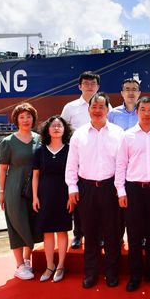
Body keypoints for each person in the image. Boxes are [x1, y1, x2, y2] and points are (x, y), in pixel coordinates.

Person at [65, 92, 125, 289]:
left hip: (110, 188)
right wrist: (72, 187)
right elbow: (72, 163)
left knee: (112, 233)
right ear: (89, 109)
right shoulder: (79, 134)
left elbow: (121, 164)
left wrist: (120, 188)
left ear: (108, 109)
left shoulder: (118, 133)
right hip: (86, 189)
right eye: (94, 107)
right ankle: (91, 273)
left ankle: (112, 272)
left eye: (101, 107)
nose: (97, 110)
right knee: (89, 233)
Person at [115, 97, 150, 292]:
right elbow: (120, 164)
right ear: (137, 112)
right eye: (143, 109)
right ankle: (135, 275)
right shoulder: (127, 136)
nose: (147, 113)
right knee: (134, 234)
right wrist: (121, 191)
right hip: (134, 190)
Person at [0, 103, 42, 280]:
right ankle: (19, 265)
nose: (25, 120)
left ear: (33, 119)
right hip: (14, 188)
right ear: (16, 120)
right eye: (22, 117)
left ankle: (27, 260)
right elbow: (3, 170)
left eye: (28, 116)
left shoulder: (39, 139)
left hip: (35, 189)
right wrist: (1, 192)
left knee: (31, 222)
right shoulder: (8, 142)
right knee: (16, 224)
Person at [60, 71, 101, 249]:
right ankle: (78, 233)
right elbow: (61, 129)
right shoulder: (70, 107)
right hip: (77, 158)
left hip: (99, 158)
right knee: (78, 197)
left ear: (98, 87)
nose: (89, 86)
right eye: (86, 83)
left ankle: (100, 234)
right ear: (80, 86)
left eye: (93, 83)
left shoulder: (104, 105)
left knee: (99, 198)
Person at [32, 115, 73, 283]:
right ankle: (50, 266)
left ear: (65, 130)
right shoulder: (40, 151)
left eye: (60, 125)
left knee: (62, 230)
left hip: (64, 194)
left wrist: (72, 196)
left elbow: (74, 174)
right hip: (45, 194)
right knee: (47, 231)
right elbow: (35, 175)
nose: (56, 128)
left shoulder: (70, 150)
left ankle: (61, 265)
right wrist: (35, 197)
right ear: (47, 130)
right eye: (53, 125)